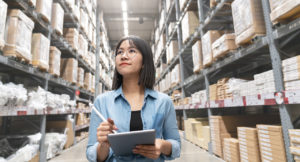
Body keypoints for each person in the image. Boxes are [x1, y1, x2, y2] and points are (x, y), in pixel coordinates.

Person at [86, 35, 181, 162]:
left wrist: (163, 146)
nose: (123, 56)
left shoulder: (163, 102)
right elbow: (92, 154)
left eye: (132, 51)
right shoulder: (102, 102)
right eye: (120, 52)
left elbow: (176, 145)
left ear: (144, 62)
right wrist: (103, 144)